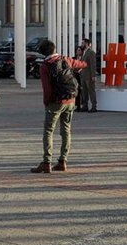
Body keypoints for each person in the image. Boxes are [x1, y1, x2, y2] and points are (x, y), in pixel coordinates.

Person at [31, 39, 86, 174]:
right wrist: (78, 66)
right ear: (54, 49)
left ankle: (46, 162)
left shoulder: (45, 66)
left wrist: (46, 102)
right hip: (70, 100)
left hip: (55, 102)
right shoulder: (65, 59)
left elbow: (47, 89)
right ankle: (62, 161)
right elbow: (82, 64)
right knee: (66, 130)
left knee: (48, 131)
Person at [78, 37, 100, 113]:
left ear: (87, 44)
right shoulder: (84, 52)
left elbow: (93, 64)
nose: (81, 44)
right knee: (84, 92)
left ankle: (94, 106)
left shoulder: (91, 52)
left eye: (83, 43)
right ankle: (85, 106)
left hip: (89, 76)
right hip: (83, 75)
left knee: (91, 91)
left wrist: (93, 75)